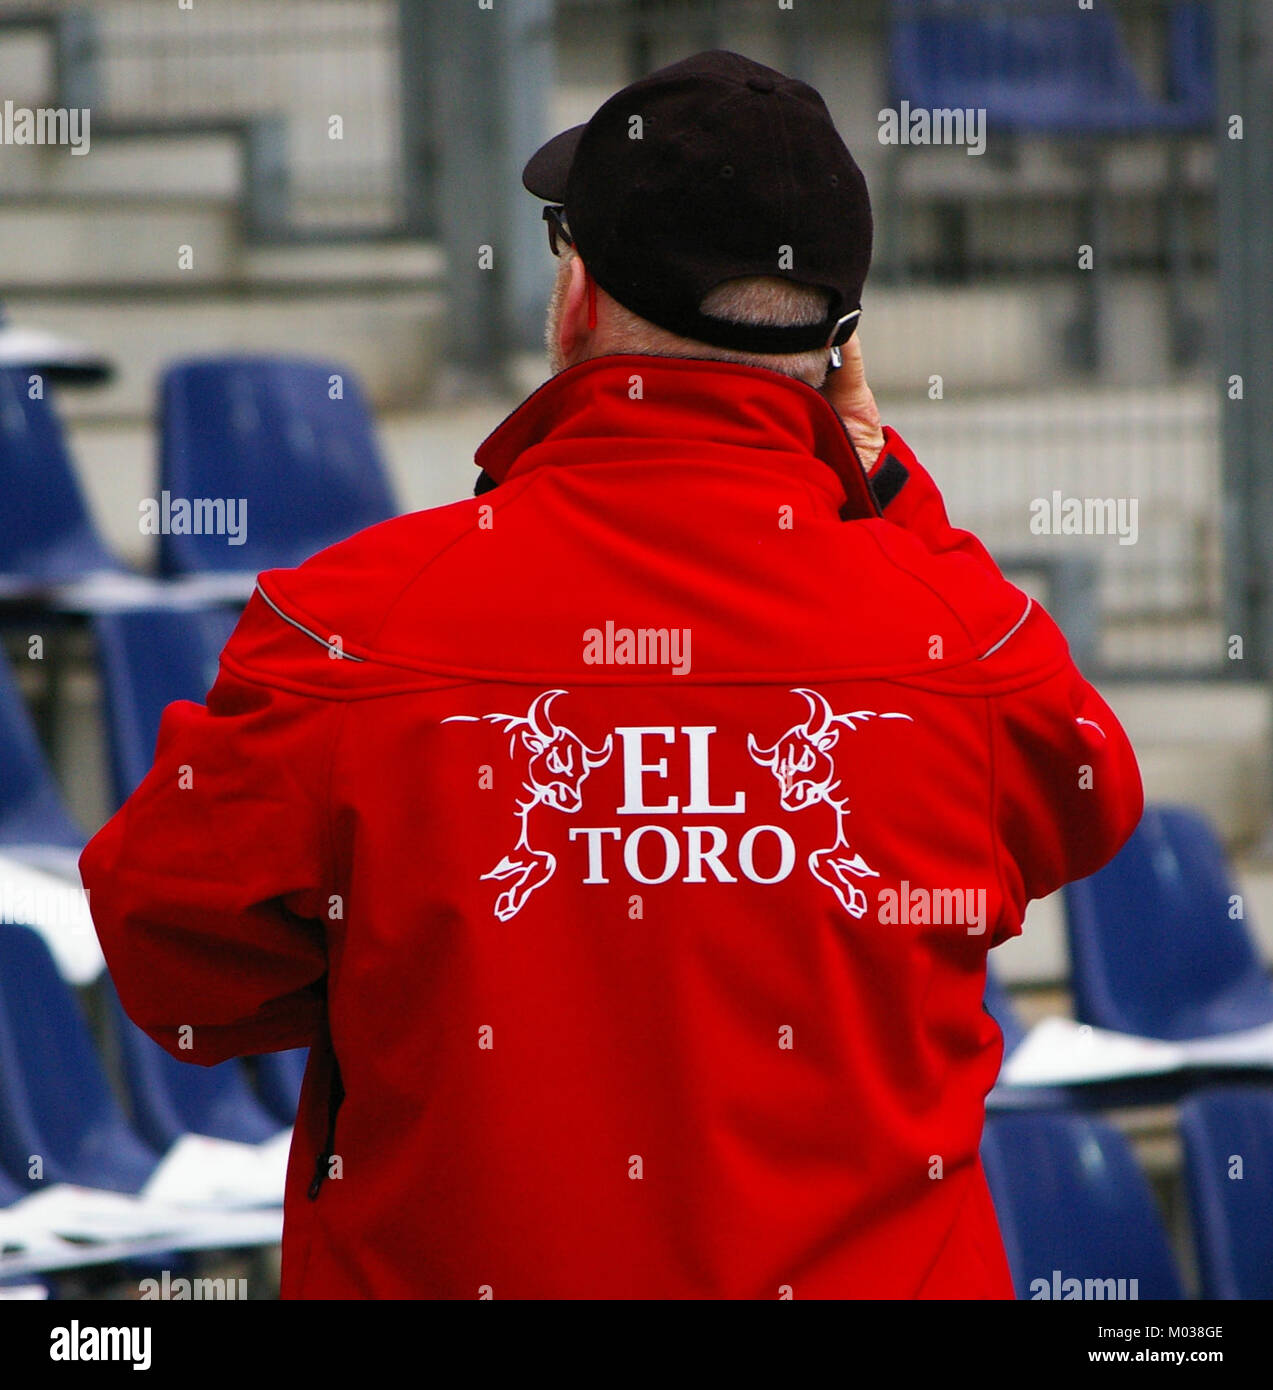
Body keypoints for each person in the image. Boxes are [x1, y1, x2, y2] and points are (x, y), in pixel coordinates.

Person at [80, 50, 1142, 1299]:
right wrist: (886, 494)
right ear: (837, 341)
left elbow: (168, 961)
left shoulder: (348, 630)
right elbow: (1084, 799)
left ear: (576, 293)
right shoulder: (959, 643)